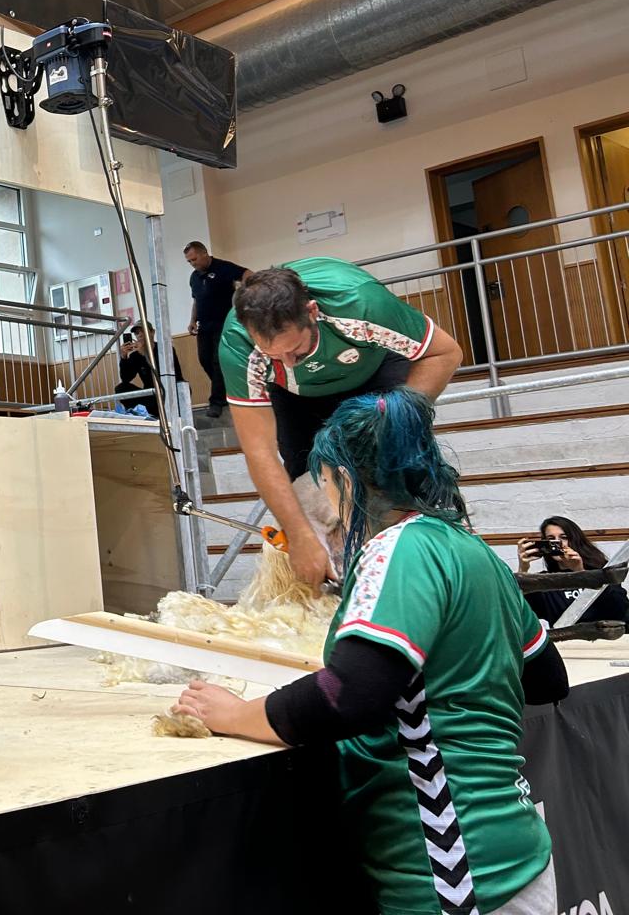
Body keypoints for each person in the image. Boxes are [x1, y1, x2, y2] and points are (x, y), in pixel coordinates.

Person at [174, 389, 568, 915]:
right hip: (516, 847)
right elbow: (547, 678)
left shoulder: (394, 548)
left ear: (343, 477)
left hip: (450, 866)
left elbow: (351, 694)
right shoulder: (475, 552)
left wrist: (238, 713)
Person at [220, 259, 463, 585]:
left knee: (399, 466)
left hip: (373, 373)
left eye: (294, 349)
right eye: (273, 355)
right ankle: (340, 583)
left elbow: (445, 354)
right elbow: (259, 451)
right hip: (297, 397)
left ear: (312, 312)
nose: (288, 362)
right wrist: (300, 536)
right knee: (307, 485)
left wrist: (392, 421)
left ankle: (426, 572)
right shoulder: (237, 342)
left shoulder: (360, 304)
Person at [519, 515, 629, 625]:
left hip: (606, 638)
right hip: (566, 640)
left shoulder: (601, 572)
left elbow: (620, 608)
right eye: (551, 539)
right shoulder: (544, 581)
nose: (558, 543)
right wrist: (523, 570)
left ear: (575, 540)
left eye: (564, 537)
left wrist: (580, 571)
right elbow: (519, 612)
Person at [183, 240, 246, 417]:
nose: (193, 264)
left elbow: (248, 274)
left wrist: (246, 295)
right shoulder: (194, 277)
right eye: (189, 261)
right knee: (205, 359)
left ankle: (217, 401)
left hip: (224, 323)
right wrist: (192, 320)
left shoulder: (223, 267)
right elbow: (196, 300)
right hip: (205, 325)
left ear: (205, 253)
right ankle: (226, 392)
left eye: (194, 259)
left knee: (219, 361)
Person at [113, 327, 158, 416]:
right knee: (121, 388)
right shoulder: (135, 355)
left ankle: (149, 411)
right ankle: (142, 412)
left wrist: (145, 354)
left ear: (152, 332)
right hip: (149, 395)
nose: (140, 335)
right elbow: (126, 378)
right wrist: (124, 357)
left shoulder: (163, 349)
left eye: (144, 331)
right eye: (137, 333)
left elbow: (160, 375)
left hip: (166, 391)